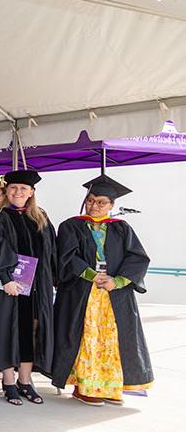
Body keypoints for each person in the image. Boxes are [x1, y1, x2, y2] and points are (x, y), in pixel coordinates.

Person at [52, 174, 153, 406]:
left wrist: (117, 281)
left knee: (113, 338)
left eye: (101, 202)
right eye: (91, 200)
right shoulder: (71, 226)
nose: (94, 206)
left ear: (112, 205)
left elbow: (138, 258)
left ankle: (110, 387)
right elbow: (66, 257)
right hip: (81, 290)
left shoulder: (121, 228)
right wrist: (92, 275)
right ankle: (84, 386)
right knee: (86, 335)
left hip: (114, 292)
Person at [0, 170, 56, 406]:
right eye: (13, 188)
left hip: (36, 286)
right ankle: (8, 381)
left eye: (23, 189)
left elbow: (51, 252)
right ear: (6, 191)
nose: (18, 192)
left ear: (32, 192)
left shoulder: (41, 217)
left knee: (30, 329)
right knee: (6, 328)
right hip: (7, 285)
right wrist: (6, 278)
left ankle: (25, 381)